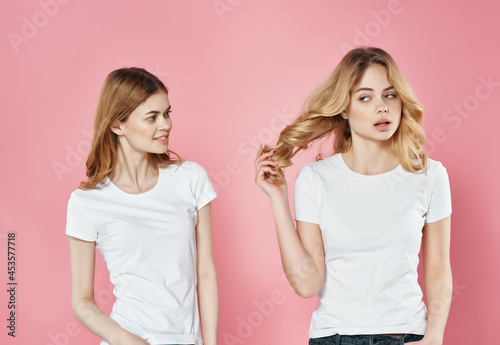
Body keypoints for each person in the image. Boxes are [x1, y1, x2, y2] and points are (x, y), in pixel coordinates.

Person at [255, 47, 452, 345]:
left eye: (389, 94)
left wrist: (434, 338)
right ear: (344, 109)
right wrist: (278, 200)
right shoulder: (315, 179)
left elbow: (438, 270)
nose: (382, 107)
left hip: (406, 335)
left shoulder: (429, 175)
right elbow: (308, 283)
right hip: (334, 337)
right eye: (365, 97)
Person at [66, 67, 218, 345]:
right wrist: (127, 340)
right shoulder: (86, 202)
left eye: (167, 113)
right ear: (117, 125)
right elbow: (82, 300)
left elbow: (205, 271)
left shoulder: (190, 178)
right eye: (152, 117)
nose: (166, 125)